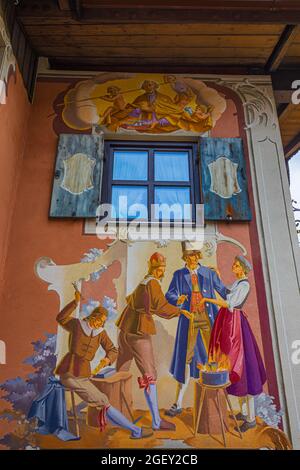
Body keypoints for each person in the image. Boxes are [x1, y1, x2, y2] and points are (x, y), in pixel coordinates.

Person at [55, 291, 153, 439]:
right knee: (102, 400)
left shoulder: (100, 333)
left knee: (99, 397)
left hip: (84, 374)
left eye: (102, 322)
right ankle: (135, 431)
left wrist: (106, 360)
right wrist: (74, 302)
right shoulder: (76, 324)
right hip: (69, 373)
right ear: (92, 316)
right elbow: (60, 318)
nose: (99, 324)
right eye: (98, 321)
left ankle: (75, 410)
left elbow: (113, 350)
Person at [115, 252, 192, 431]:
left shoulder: (144, 281)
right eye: (158, 269)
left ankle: (118, 415)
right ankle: (156, 422)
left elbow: (152, 302)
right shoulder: (152, 283)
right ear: (152, 267)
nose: (160, 272)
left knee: (121, 371)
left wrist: (176, 303)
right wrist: (181, 310)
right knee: (150, 376)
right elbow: (160, 307)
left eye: (162, 269)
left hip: (126, 330)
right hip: (139, 333)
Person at [200, 255, 267, 432]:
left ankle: (250, 419)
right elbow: (227, 293)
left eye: (236, 266)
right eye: (234, 265)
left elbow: (229, 302)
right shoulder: (238, 283)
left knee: (245, 369)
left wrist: (208, 300)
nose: (234, 267)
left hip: (237, 328)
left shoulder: (244, 285)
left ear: (243, 269)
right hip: (230, 324)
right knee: (237, 368)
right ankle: (244, 413)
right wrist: (219, 277)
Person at [165, 241, 227, 417]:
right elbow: (169, 294)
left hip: (208, 319)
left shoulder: (208, 273)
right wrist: (178, 298)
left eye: (195, 255)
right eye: (189, 256)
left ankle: (216, 401)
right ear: (185, 257)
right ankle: (177, 404)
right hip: (189, 321)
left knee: (214, 354)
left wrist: (238, 292)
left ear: (198, 256)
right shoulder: (178, 274)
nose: (192, 258)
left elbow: (223, 291)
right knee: (185, 358)